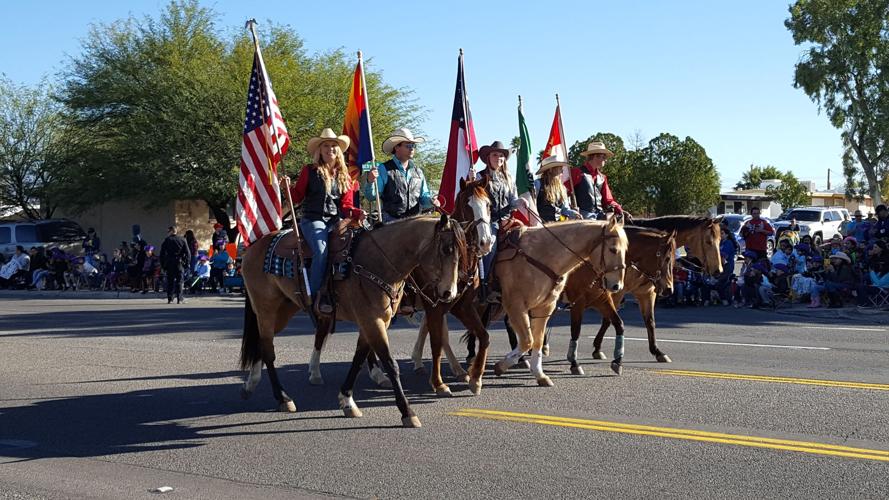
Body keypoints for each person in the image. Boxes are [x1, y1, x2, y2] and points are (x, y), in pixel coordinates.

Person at [286, 128, 364, 313]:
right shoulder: (309, 171)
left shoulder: (345, 176)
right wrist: (287, 187)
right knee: (321, 249)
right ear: (319, 151)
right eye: (326, 146)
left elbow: (346, 205)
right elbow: (297, 197)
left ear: (339, 151)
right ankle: (314, 295)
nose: (331, 149)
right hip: (313, 219)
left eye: (334, 146)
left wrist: (357, 212)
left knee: (358, 243)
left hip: (334, 220)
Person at [475, 140, 524, 302]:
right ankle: (484, 285)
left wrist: (520, 203)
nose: (499, 158)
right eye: (495, 155)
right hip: (489, 221)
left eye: (502, 155)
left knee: (527, 240)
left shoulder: (508, 178)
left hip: (508, 220)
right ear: (488, 158)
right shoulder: (480, 177)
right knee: (490, 245)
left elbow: (513, 200)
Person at [365, 127, 440, 223]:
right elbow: (371, 196)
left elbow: (424, 197)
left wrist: (431, 201)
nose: (412, 148)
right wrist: (370, 182)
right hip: (391, 224)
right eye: (408, 145)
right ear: (396, 147)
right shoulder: (384, 169)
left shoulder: (419, 172)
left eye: (413, 145)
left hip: (414, 224)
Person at [570, 141, 625, 220]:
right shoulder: (577, 172)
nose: (605, 160)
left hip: (600, 214)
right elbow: (565, 193)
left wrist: (618, 208)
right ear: (595, 156)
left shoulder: (602, 177)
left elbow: (608, 200)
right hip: (583, 215)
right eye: (603, 157)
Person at [535, 155, 581, 223]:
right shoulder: (538, 184)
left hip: (559, 226)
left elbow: (565, 210)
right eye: (560, 168)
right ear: (550, 170)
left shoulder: (562, 188)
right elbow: (533, 205)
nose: (562, 172)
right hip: (543, 227)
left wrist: (574, 213)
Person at [160, 226, 191, 304]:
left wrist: (163, 265)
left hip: (170, 262)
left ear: (171, 231)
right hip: (179, 262)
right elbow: (188, 253)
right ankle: (179, 298)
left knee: (170, 281)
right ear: (176, 231)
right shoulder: (182, 239)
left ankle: (170, 298)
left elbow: (162, 253)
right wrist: (187, 263)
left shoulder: (167, 240)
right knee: (179, 281)